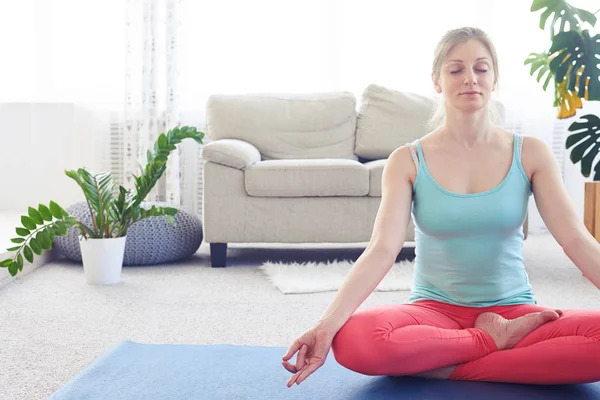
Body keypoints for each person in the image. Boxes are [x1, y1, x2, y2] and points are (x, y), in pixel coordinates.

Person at [281, 27, 600, 387]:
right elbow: (382, 249)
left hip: (515, 312)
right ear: (437, 81)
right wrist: (325, 326)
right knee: (353, 342)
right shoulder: (407, 160)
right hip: (433, 315)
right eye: (455, 70)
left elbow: (575, 239)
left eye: (481, 69)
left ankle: (444, 366)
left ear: (494, 79)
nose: (470, 79)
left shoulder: (530, 153)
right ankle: (491, 343)